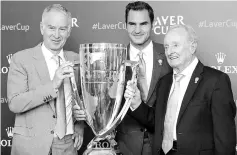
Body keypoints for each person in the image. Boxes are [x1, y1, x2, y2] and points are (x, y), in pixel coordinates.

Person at [124, 24, 236, 155]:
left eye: (175, 45)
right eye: (166, 47)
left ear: (192, 47)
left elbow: (225, 137)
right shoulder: (164, 83)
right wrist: (137, 103)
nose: (170, 52)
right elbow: (158, 123)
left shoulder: (215, 81)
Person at [7, 4, 84, 155]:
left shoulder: (77, 60)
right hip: (31, 147)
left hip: (68, 145)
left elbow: (81, 101)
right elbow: (15, 103)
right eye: (51, 28)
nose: (57, 34)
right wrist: (53, 86)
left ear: (69, 31)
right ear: (42, 28)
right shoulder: (21, 59)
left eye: (62, 29)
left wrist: (80, 126)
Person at [115, 1, 172, 155]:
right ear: (125, 25)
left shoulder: (170, 55)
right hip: (126, 145)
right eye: (132, 24)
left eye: (143, 24)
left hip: (163, 144)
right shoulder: (115, 59)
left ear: (152, 24)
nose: (137, 30)